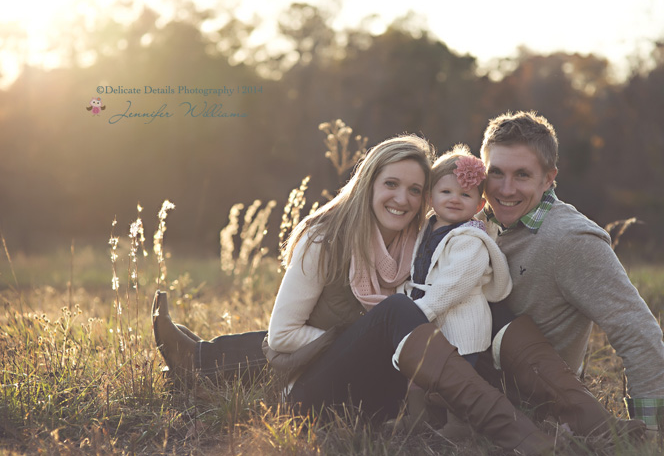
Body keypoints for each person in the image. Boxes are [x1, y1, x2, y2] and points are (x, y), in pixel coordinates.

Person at [152, 135, 559, 455]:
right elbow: (281, 338)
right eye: (391, 184)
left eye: (415, 190)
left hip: (387, 391)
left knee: (466, 307)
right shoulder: (325, 238)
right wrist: (365, 337)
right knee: (396, 313)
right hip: (317, 398)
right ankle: (517, 432)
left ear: (427, 197)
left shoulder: (422, 243)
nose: (402, 199)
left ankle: (201, 361)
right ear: (368, 185)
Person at [476, 110, 664, 444]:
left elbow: (635, 327)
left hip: (531, 401)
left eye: (522, 175)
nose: (506, 188)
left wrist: (651, 430)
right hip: (465, 378)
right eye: (496, 173)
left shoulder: (569, 239)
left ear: (548, 179)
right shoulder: (475, 224)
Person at [403, 144, 511, 438]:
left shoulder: (472, 240)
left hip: (460, 322)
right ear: (430, 197)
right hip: (429, 317)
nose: (454, 200)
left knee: (456, 380)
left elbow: (453, 286)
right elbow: (415, 271)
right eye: (446, 192)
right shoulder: (427, 227)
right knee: (417, 376)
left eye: (465, 195)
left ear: (478, 205)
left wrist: (417, 313)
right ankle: (417, 418)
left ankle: (461, 427)